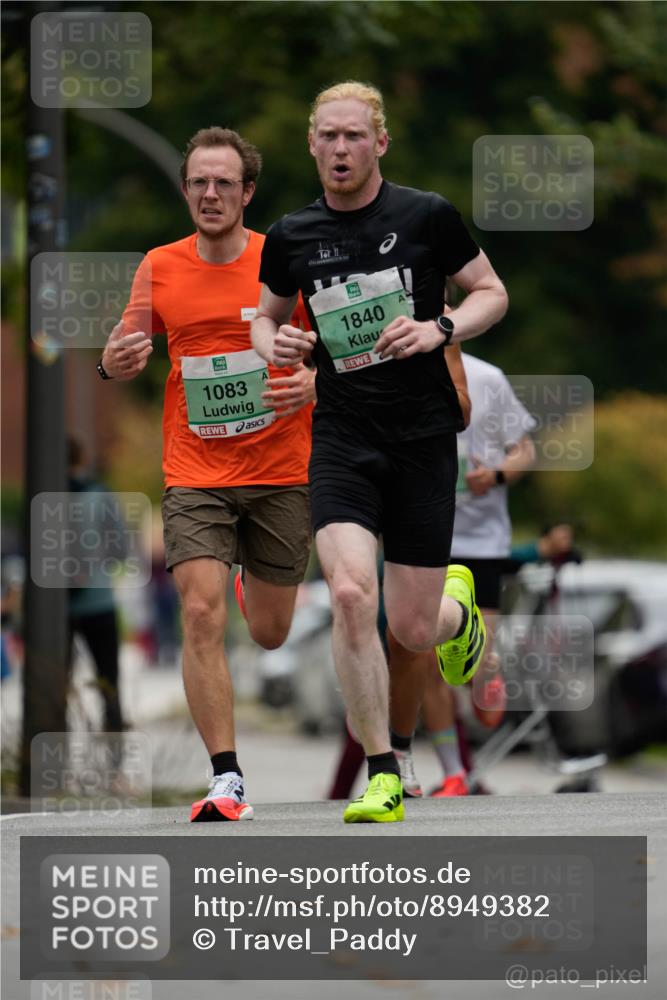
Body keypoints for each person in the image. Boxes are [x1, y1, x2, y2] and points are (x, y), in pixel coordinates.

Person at [252, 81, 508, 823]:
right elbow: (263, 326)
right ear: (311, 144)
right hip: (342, 437)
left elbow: (491, 291)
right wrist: (283, 345)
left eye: (354, 136)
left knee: (412, 628)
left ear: (379, 143)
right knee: (350, 594)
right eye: (327, 136)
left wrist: (442, 329)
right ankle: (383, 771)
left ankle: (458, 610)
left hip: (423, 439)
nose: (340, 149)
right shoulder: (290, 236)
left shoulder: (425, 215)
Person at [99, 127, 316, 822]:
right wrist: (113, 362)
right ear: (186, 189)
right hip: (195, 468)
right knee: (197, 611)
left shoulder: (281, 260)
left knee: (272, 633)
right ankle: (227, 777)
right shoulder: (159, 265)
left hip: (283, 467)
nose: (210, 193)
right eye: (198, 182)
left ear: (247, 192)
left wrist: (309, 381)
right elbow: (124, 345)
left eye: (224, 182)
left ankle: (262, 588)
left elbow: (333, 353)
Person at [391, 352, 537, 797]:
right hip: (427, 538)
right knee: (430, 664)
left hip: (480, 543)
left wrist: (494, 475)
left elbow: (525, 450)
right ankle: (454, 772)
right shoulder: (392, 367)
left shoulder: (487, 377)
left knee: (473, 660)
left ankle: (486, 669)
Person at [66, 436, 125, 733]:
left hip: (54, 608)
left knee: (54, 686)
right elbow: (121, 549)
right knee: (109, 682)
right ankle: (114, 766)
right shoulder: (99, 495)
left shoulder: (41, 494)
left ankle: (50, 764)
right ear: (82, 459)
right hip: (98, 600)